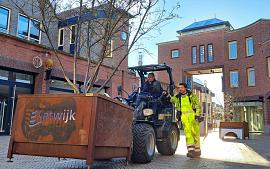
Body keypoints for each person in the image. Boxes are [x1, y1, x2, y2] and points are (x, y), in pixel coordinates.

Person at [165, 82, 202, 158]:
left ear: (185, 88)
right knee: (188, 134)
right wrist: (167, 95)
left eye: (181, 87)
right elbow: (172, 100)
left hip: (193, 117)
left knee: (195, 133)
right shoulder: (177, 97)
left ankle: (197, 151)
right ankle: (191, 151)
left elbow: (198, 105)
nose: (180, 89)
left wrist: (197, 115)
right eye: (179, 88)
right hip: (184, 117)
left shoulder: (192, 95)